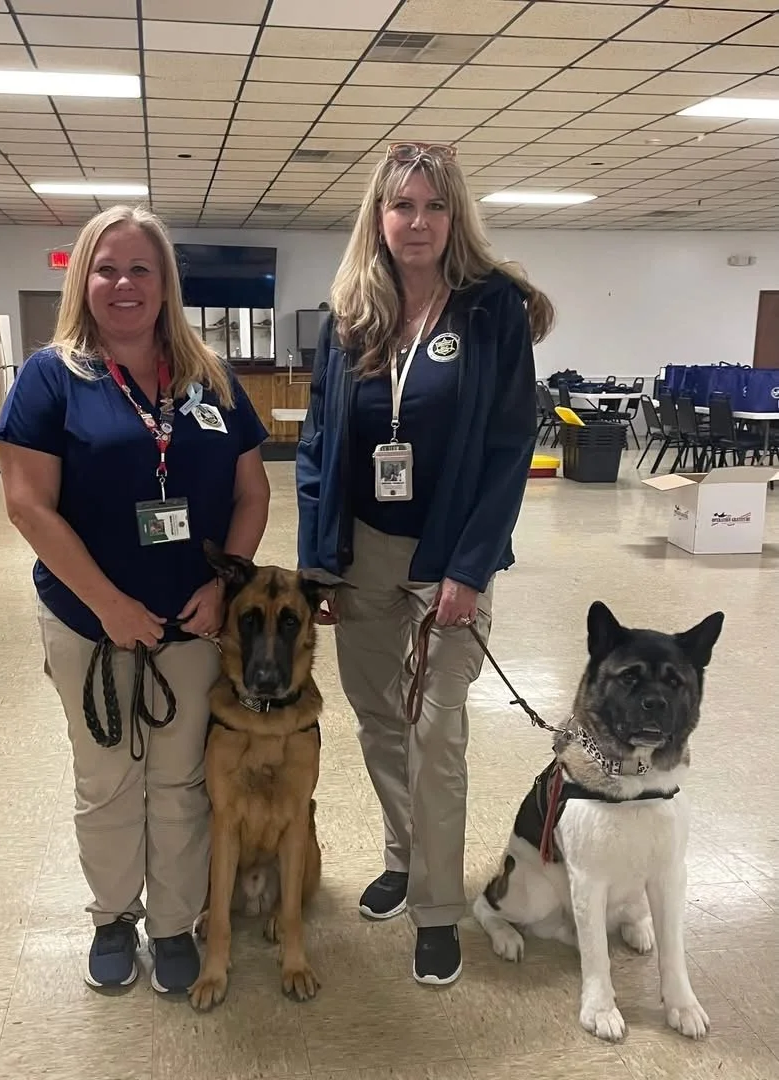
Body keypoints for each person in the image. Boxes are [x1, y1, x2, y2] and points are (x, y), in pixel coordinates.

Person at [296, 142, 553, 987]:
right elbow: (320, 445)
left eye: (433, 207)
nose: (417, 222)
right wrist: (318, 564)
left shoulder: (492, 311)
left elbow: (511, 446)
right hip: (362, 549)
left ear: (455, 218)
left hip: (451, 552)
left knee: (436, 732)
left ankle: (437, 908)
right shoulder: (349, 314)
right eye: (401, 206)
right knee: (378, 720)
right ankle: (405, 856)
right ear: (379, 215)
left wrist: (471, 570)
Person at [0, 205, 270, 994]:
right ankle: (114, 915)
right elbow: (26, 504)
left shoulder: (209, 376)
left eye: (140, 269)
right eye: (107, 268)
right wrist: (110, 604)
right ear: (84, 278)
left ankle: (175, 923)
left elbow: (253, 493)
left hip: (192, 623)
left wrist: (226, 584)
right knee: (107, 777)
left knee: (182, 781)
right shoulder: (53, 376)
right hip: (88, 622)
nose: (123, 284)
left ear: (164, 284)